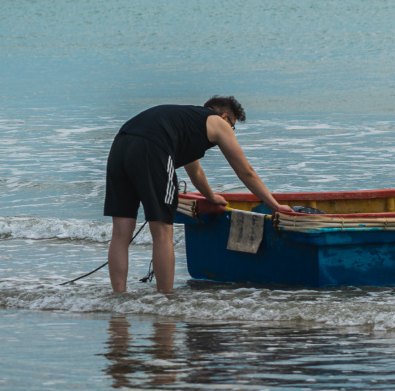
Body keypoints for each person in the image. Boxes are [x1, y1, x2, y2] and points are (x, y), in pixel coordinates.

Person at [103, 96, 294, 294]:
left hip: (120, 145)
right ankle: (165, 300)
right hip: (153, 148)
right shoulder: (218, 123)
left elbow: (195, 172)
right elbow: (246, 171)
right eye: (233, 127)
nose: (231, 131)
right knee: (162, 232)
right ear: (224, 116)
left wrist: (210, 196)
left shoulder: (186, 123)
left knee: (120, 233)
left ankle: (119, 298)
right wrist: (275, 206)